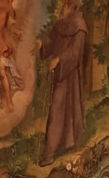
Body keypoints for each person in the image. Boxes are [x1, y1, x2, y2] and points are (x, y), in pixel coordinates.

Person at [33, 0, 87, 166]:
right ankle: (63, 145)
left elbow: (75, 52)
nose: (63, 5)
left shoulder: (79, 25)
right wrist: (41, 43)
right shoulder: (61, 24)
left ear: (73, 5)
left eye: (66, 3)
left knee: (57, 110)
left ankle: (49, 154)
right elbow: (52, 40)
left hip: (69, 76)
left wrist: (58, 59)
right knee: (59, 110)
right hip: (60, 74)